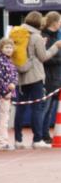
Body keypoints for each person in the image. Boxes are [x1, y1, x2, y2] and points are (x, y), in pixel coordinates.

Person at [13, 11, 61, 149]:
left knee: (20, 109)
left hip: (20, 77)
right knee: (37, 109)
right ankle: (37, 139)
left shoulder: (18, 34)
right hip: (35, 76)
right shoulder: (36, 36)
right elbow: (43, 57)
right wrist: (55, 47)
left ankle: (18, 140)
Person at [0, 37, 19, 151]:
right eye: (6, 47)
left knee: (6, 118)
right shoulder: (0, 61)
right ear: (1, 48)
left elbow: (14, 75)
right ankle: (1, 142)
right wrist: (5, 91)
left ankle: (4, 140)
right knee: (3, 118)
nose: (9, 49)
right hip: (3, 94)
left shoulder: (10, 61)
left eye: (10, 47)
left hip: (9, 94)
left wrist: (13, 84)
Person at [41, 11, 61, 143]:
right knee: (45, 108)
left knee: (50, 109)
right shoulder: (45, 37)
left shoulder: (54, 37)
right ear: (54, 23)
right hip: (47, 78)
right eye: (59, 22)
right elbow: (44, 58)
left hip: (56, 78)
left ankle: (45, 134)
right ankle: (40, 135)